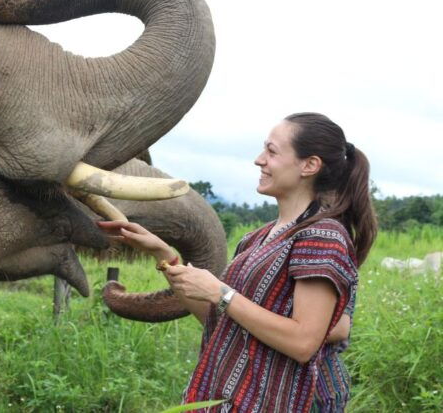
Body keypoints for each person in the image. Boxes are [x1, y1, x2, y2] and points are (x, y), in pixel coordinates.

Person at [98, 112, 377, 412]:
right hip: (230, 400)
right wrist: (164, 255)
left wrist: (221, 292)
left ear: (309, 165)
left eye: (272, 151)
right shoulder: (256, 239)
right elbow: (219, 322)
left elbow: (303, 342)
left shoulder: (322, 236)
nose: (259, 160)